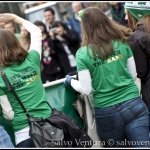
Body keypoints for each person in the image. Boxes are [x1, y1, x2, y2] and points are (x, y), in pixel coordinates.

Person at [64, 7, 149, 148]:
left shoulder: (83, 54)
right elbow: (134, 75)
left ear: (85, 27)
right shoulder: (122, 43)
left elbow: (86, 89)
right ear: (105, 21)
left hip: (107, 112)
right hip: (134, 105)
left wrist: (70, 81)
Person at [0, 13, 52, 147]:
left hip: (24, 133)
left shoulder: (1, 76)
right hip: (50, 125)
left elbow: (9, 115)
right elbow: (36, 31)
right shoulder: (32, 59)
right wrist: (14, 18)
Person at [125, 2, 150, 111]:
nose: (126, 18)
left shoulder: (136, 38)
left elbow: (140, 72)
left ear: (136, 14)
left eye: (127, 14)